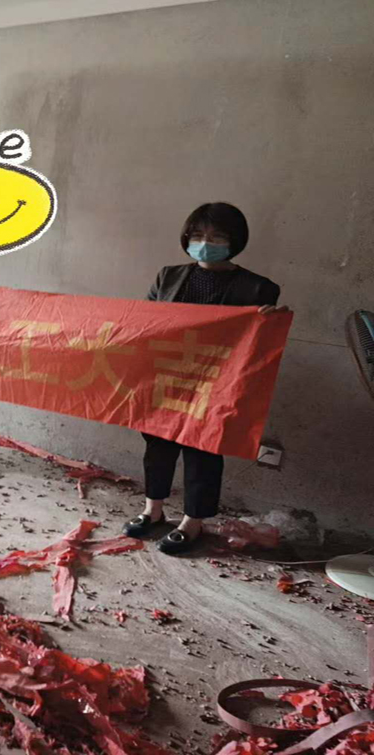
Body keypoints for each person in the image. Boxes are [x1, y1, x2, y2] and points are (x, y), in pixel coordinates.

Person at [123, 202, 289, 555]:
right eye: (197, 235)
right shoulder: (168, 276)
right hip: (166, 376)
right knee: (157, 447)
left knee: (203, 451)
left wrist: (271, 321)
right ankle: (153, 510)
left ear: (235, 241)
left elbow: (258, 345)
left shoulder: (258, 289)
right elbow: (145, 321)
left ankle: (192, 522)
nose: (204, 243)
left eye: (216, 237)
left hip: (215, 385)